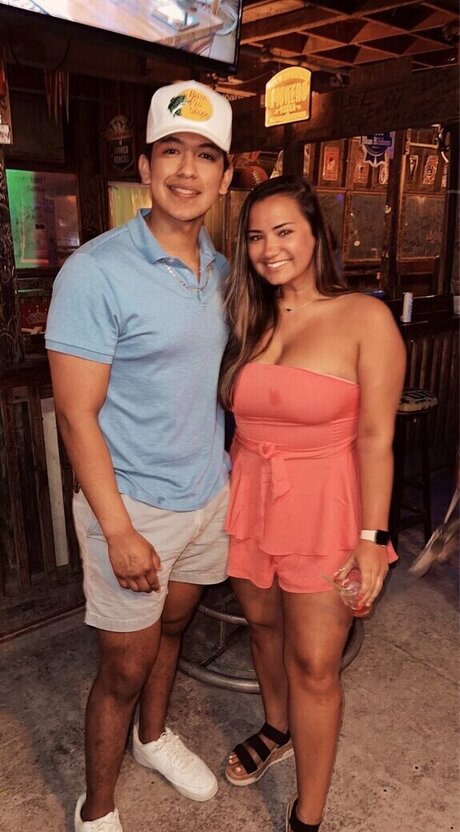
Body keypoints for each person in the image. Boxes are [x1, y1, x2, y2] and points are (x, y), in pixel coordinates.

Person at [45, 80, 233, 832]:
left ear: (226, 174)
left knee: (175, 633)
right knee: (123, 667)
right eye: (172, 152)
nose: (187, 170)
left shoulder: (225, 271)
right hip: (133, 507)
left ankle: (152, 740)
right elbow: (76, 414)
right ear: (146, 167)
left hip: (207, 496)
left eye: (206, 154)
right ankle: (96, 808)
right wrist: (118, 529)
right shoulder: (96, 270)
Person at [219, 176, 406, 832]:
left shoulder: (364, 318)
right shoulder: (248, 314)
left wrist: (371, 538)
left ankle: (307, 817)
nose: (269, 249)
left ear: (316, 235)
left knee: (316, 666)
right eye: (255, 237)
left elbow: (377, 437)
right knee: (263, 628)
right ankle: (277, 727)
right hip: (251, 498)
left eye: (284, 232)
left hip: (328, 507)